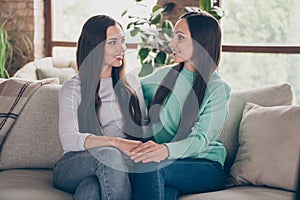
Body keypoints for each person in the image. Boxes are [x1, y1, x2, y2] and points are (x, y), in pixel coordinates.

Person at [130, 11, 231, 200]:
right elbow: (131, 90)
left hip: (204, 166)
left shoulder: (218, 89)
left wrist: (164, 150)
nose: (171, 43)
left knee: (149, 165)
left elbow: (201, 139)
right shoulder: (164, 76)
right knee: (165, 193)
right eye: (173, 36)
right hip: (167, 164)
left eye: (180, 37)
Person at [52, 14, 148, 200]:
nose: (122, 48)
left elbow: (143, 133)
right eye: (113, 42)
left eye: (123, 41)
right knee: (109, 155)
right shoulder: (73, 87)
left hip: (119, 168)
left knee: (91, 190)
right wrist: (116, 143)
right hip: (74, 165)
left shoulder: (132, 84)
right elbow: (69, 139)